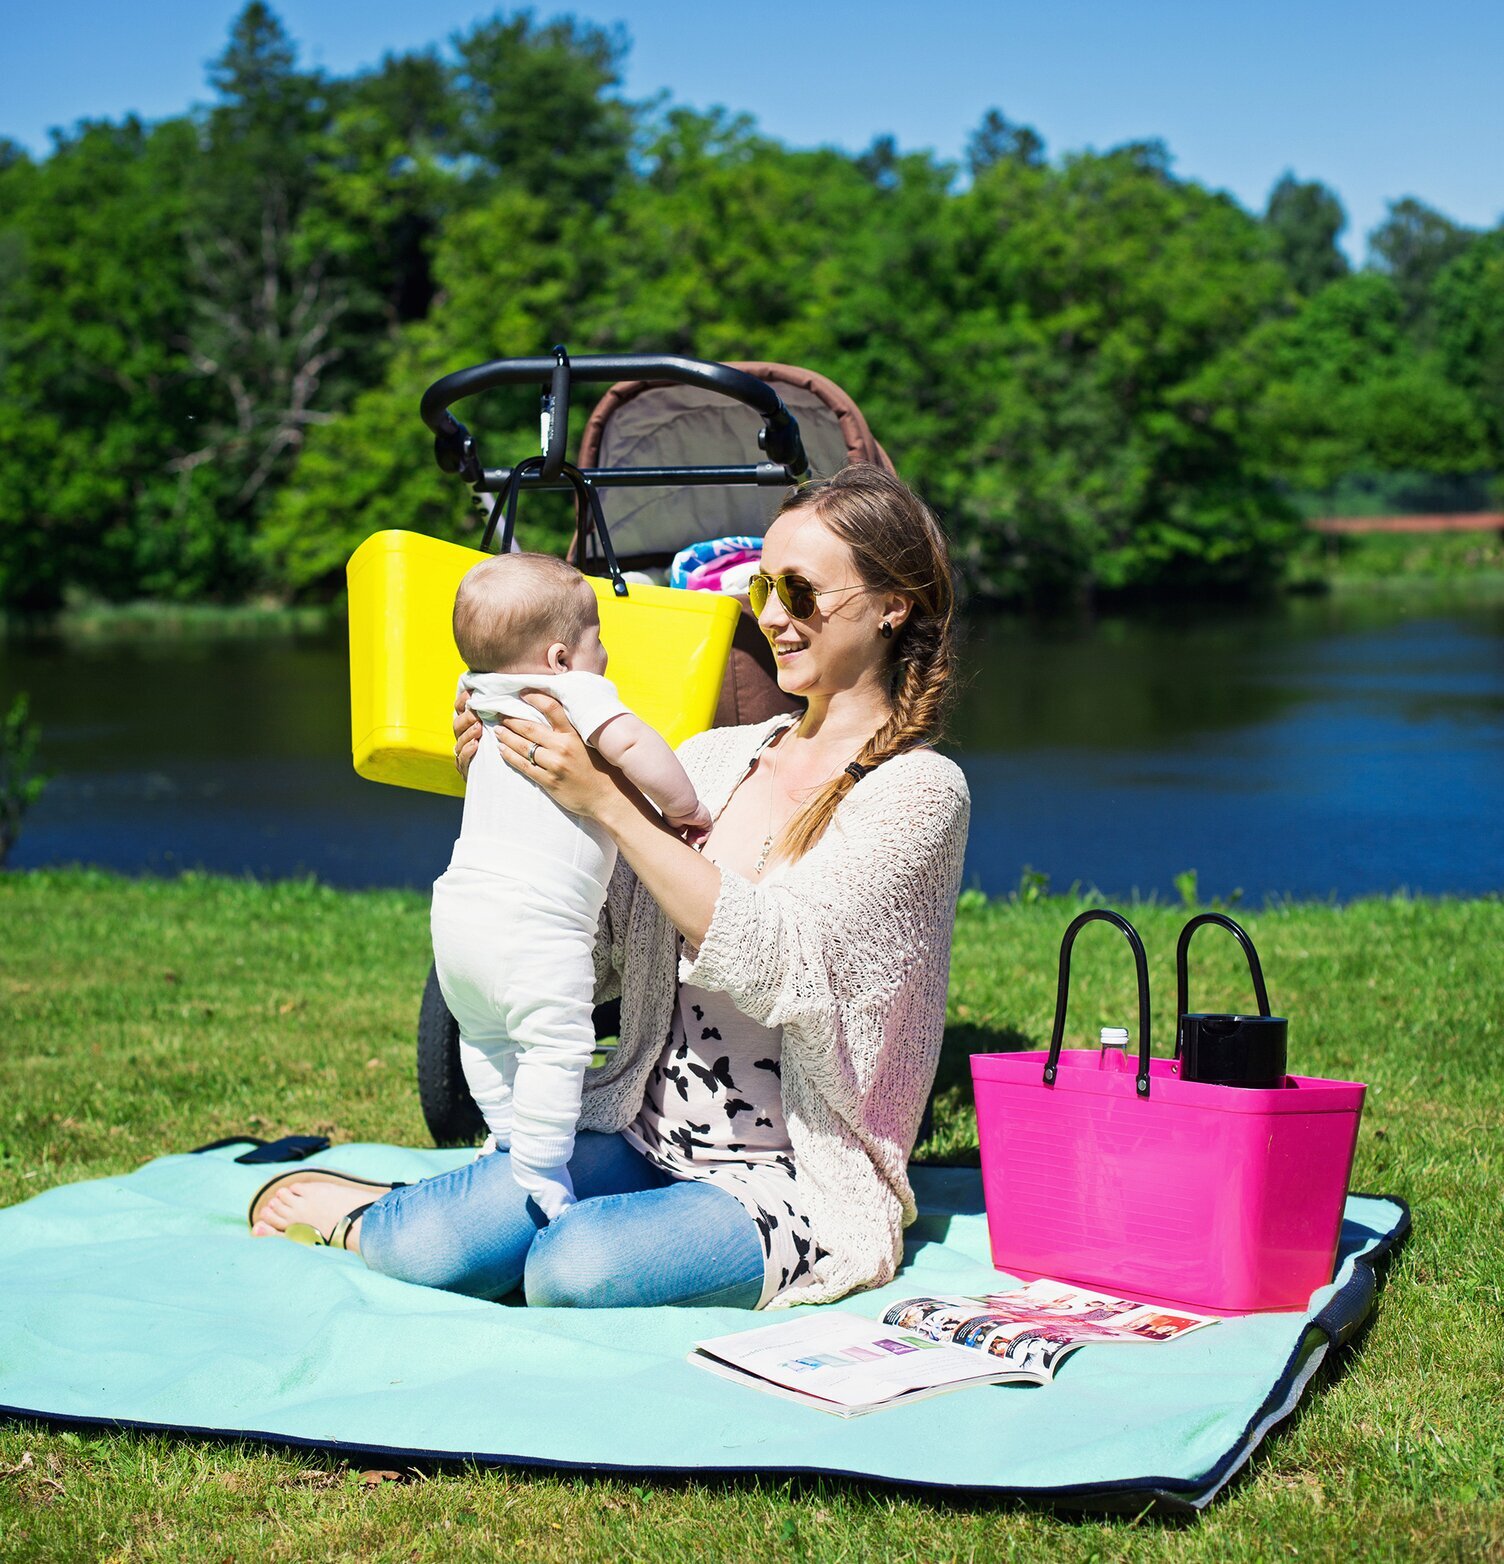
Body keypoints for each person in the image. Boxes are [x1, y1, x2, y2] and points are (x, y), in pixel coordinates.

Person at [251, 463, 971, 1312]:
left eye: (803, 592)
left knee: (576, 1269)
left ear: (894, 605)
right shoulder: (710, 759)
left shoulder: (919, 792)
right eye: (761, 586)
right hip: (639, 1126)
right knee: (426, 1246)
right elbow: (599, 962)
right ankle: (381, 1213)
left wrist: (610, 806)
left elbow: (783, 964)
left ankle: (505, 1226)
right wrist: (521, 802)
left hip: (789, 1176)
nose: (772, 615)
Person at [431, 551, 710, 1221]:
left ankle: (504, 1135)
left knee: (485, 1038)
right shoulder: (571, 693)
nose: (605, 654)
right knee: (557, 1047)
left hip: (458, 909)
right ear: (560, 656)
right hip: (538, 920)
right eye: (598, 638)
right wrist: (684, 807)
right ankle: (544, 1171)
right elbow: (637, 747)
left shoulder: (478, 691)